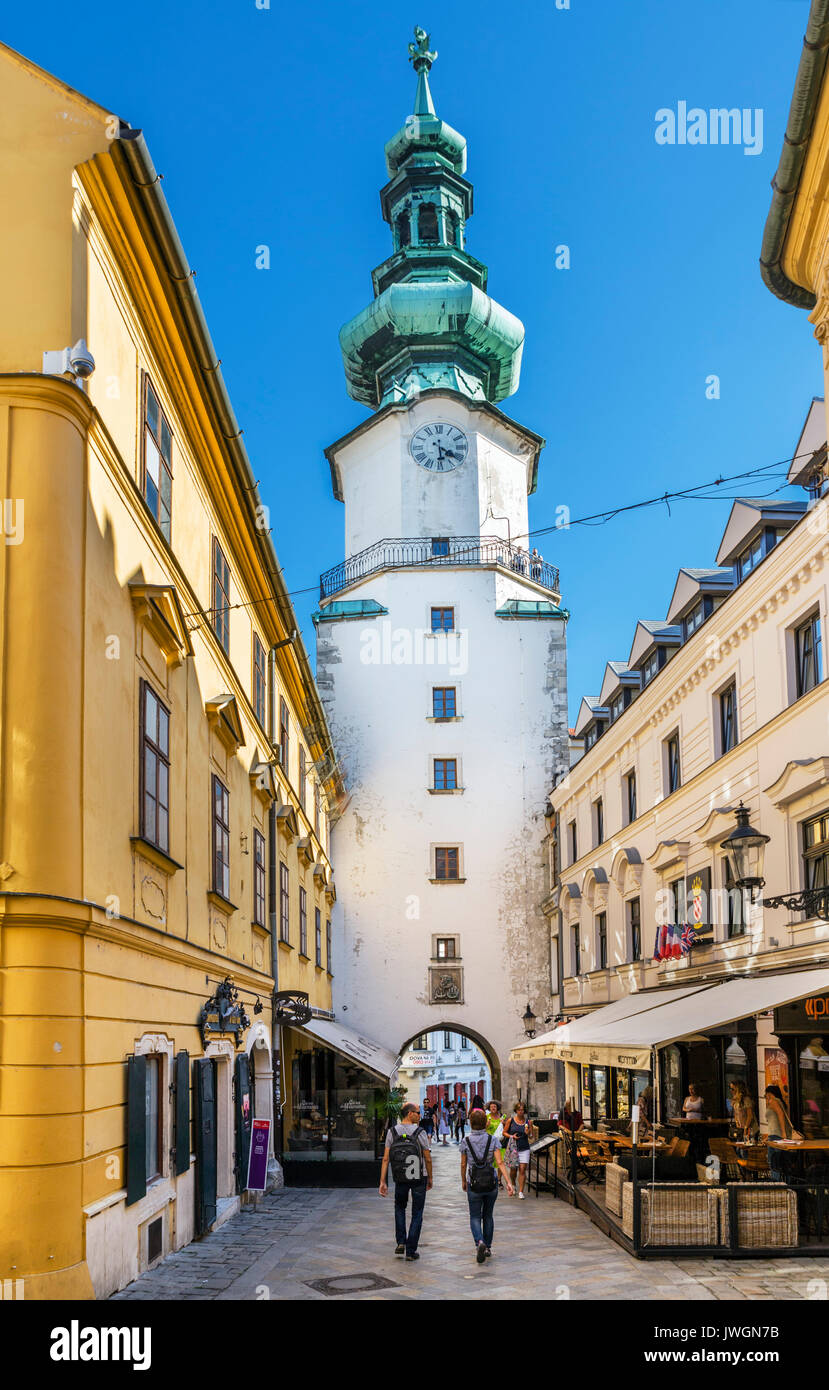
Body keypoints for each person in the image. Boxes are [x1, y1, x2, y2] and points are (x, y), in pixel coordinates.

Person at [379, 1102, 433, 1261]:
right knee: (417, 1212)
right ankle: (411, 1250)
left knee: (400, 1207)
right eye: (417, 1112)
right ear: (410, 1113)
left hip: (400, 1176)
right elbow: (428, 1158)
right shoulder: (420, 1132)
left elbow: (386, 1158)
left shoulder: (392, 1132)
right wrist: (430, 1177)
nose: (419, 1115)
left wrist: (383, 1181)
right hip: (418, 1177)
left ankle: (401, 1241)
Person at [461, 1108, 514, 1261]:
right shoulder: (493, 1140)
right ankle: (488, 1248)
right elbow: (499, 1162)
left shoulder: (466, 1141)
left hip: (474, 1183)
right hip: (491, 1183)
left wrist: (464, 1180)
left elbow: (463, 1164)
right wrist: (508, 1182)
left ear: (471, 1123)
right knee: (488, 1215)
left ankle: (479, 1242)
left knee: (475, 1216)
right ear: (486, 1122)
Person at [764, 1084, 802, 1180]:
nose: (766, 1096)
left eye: (766, 1094)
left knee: (774, 1161)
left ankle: (776, 1184)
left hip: (776, 1136)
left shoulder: (774, 1101)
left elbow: (781, 1116)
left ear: (770, 1093)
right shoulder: (780, 1102)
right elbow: (775, 1121)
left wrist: (783, 1132)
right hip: (775, 1135)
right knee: (782, 1162)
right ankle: (785, 1183)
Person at [503, 1101, 537, 1199]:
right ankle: (513, 1183)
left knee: (522, 1169)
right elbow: (504, 1132)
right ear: (516, 1111)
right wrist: (511, 1136)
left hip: (524, 1148)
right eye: (519, 1110)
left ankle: (521, 1191)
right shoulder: (511, 1121)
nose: (521, 1112)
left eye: (522, 1110)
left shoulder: (528, 1122)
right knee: (513, 1170)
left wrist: (528, 1132)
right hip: (513, 1148)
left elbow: (531, 1137)